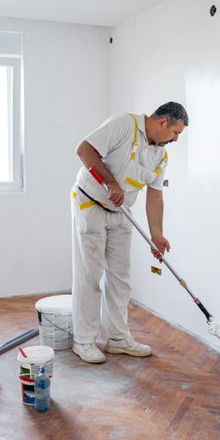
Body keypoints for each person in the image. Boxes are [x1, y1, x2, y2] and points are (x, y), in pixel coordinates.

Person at [70, 102, 189, 363]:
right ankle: (85, 340)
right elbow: (84, 149)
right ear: (162, 122)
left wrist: (157, 234)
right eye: (175, 132)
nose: (176, 139)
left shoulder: (161, 154)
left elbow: (155, 194)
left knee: (120, 277)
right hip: (90, 203)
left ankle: (117, 338)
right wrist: (111, 182)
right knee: (90, 275)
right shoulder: (124, 124)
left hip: (122, 212)